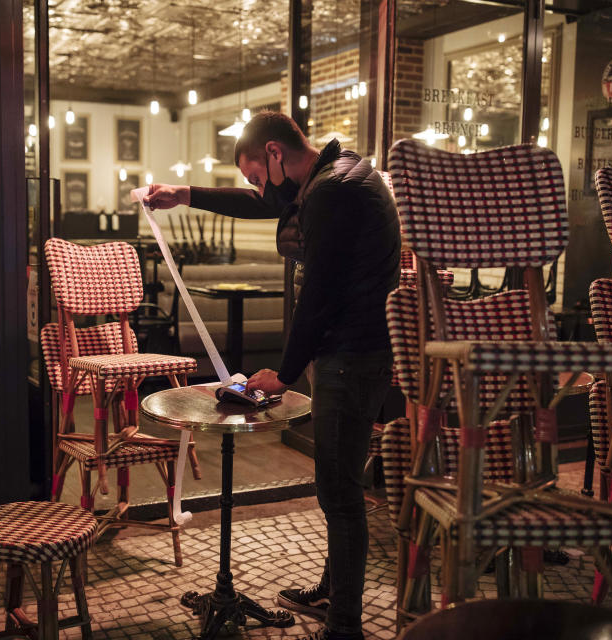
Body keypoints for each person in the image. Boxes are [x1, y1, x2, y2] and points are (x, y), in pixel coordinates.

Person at [145, 111, 400, 640]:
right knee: (339, 484)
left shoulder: (332, 193)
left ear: (277, 154)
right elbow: (264, 203)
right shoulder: (340, 174)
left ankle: (345, 626)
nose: (259, 190)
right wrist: (184, 194)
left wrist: (283, 374)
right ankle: (335, 590)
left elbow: (320, 297)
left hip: (352, 357)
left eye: (258, 175)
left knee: (340, 491)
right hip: (361, 352)